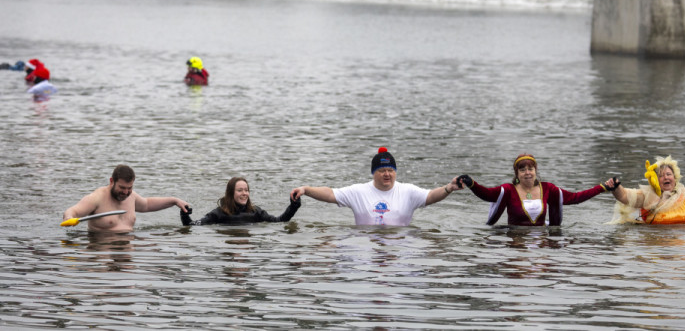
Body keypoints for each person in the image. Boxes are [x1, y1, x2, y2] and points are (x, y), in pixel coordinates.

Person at [290, 147, 460, 226]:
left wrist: (448, 188)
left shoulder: (407, 191)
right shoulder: (359, 191)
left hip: (399, 244)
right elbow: (330, 194)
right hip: (367, 242)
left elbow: (430, 196)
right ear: (373, 173)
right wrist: (306, 189)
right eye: (381, 170)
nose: (387, 174)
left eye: (390, 170)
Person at [457, 153, 610, 226]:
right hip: (515, 239)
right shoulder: (508, 190)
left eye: (530, 169)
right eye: (522, 170)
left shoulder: (548, 189)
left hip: (542, 240)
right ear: (517, 173)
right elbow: (487, 194)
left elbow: (575, 197)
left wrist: (602, 187)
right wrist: (472, 184)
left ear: (536, 171)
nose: (527, 173)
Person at [62, 165, 190, 233]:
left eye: (129, 188)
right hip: (102, 249)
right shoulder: (97, 198)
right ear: (112, 181)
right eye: (122, 187)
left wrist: (174, 201)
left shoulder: (131, 196)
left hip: (129, 247)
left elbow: (147, 204)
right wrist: (69, 218)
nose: (125, 192)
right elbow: (73, 211)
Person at [180, 177, 301, 225]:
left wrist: (293, 206)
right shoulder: (218, 213)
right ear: (231, 193)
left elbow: (280, 220)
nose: (244, 193)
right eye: (240, 190)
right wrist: (185, 214)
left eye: (246, 190)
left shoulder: (256, 212)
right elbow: (191, 225)